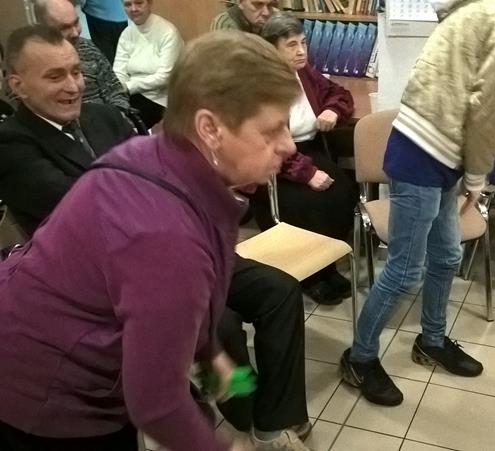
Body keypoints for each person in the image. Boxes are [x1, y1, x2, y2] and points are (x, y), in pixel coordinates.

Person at [0, 24, 312, 451]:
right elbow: (157, 403)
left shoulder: (157, 155)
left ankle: (264, 421)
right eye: (271, 130)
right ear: (210, 128)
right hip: (45, 391)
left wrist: (210, 350)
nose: (289, 146)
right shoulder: (167, 240)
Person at [339, 0, 495, 406]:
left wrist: (475, 158)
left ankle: (431, 340)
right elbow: (488, 107)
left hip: (439, 156)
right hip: (422, 159)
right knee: (405, 272)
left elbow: (463, 96)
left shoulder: (477, 9)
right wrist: (477, 177)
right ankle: (359, 358)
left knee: (446, 256)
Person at [260, 14, 358, 305]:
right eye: (291, 45)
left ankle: (326, 266)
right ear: (271, 49)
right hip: (275, 167)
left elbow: (339, 93)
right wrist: (307, 173)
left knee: (344, 191)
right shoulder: (260, 85)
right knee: (310, 204)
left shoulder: (303, 73)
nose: (301, 51)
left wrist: (332, 110)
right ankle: (310, 276)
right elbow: (268, 142)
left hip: (308, 150)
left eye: (303, 43)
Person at [30, 0, 130, 110]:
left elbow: (116, 91)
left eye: (76, 23)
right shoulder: (33, 61)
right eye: (64, 28)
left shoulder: (88, 48)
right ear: (42, 27)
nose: (75, 33)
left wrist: (118, 114)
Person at [114, 0, 184, 128]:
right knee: (107, 119)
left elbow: (164, 77)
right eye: (128, 5)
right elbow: (119, 71)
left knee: (125, 126)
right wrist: (119, 92)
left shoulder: (168, 32)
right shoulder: (126, 34)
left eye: (139, 3)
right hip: (131, 93)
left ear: (150, 3)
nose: (133, 9)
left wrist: (128, 87)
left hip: (160, 98)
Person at [212, 0, 278, 34]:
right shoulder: (227, 23)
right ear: (241, 3)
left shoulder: (276, 17)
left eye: (270, 5)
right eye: (258, 4)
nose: (266, 13)